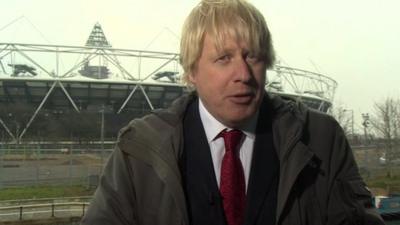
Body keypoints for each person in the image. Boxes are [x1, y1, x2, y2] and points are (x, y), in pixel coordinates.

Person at [81, 0, 385, 224]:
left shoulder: (321, 139)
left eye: (252, 56)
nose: (243, 73)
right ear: (191, 72)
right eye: (223, 58)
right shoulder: (140, 151)